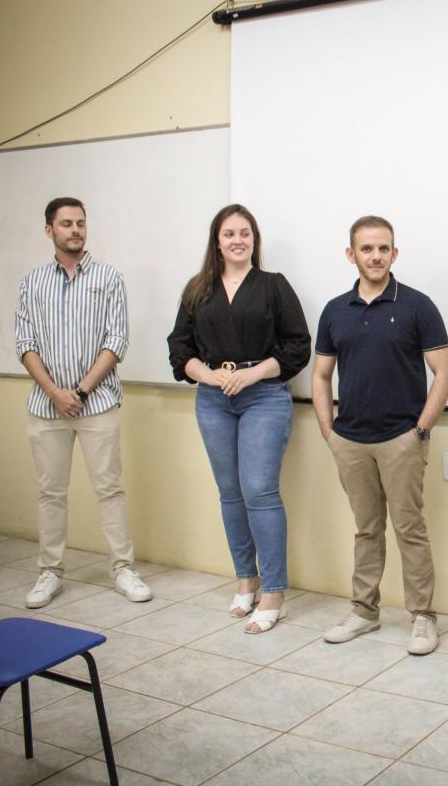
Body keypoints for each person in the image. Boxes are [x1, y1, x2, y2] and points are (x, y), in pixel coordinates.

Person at [313, 216, 448, 655]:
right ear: (350, 254)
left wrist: (421, 430)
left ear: (395, 253)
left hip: (401, 439)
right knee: (366, 530)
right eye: (367, 249)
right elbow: (321, 376)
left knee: (410, 528)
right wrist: (329, 431)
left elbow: (445, 373)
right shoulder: (335, 310)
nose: (376, 256)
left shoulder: (418, 306)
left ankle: (423, 616)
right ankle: (364, 611)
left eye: (383, 248)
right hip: (350, 440)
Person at [167, 204, 311, 634]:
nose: (238, 240)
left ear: (254, 239)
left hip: (263, 395)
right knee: (230, 493)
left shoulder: (273, 285)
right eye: (229, 234)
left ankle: (274, 591)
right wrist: (209, 375)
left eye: (245, 233)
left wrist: (251, 374)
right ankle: (246, 580)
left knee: (260, 491)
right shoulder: (197, 290)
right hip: (213, 399)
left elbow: (297, 346)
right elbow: (179, 348)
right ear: (217, 242)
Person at [15, 197, 153, 609]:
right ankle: (49, 571)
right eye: (66, 224)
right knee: (50, 492)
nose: (75, 230)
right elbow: (25, 343)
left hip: (97, 403)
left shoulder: (109, 277)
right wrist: (55, 393)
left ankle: (123, 569)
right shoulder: (32, 282)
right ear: (49, 231)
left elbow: (117, 340)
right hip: (46, 407)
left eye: (80, 223)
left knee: (109, 489)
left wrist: (79, 391)